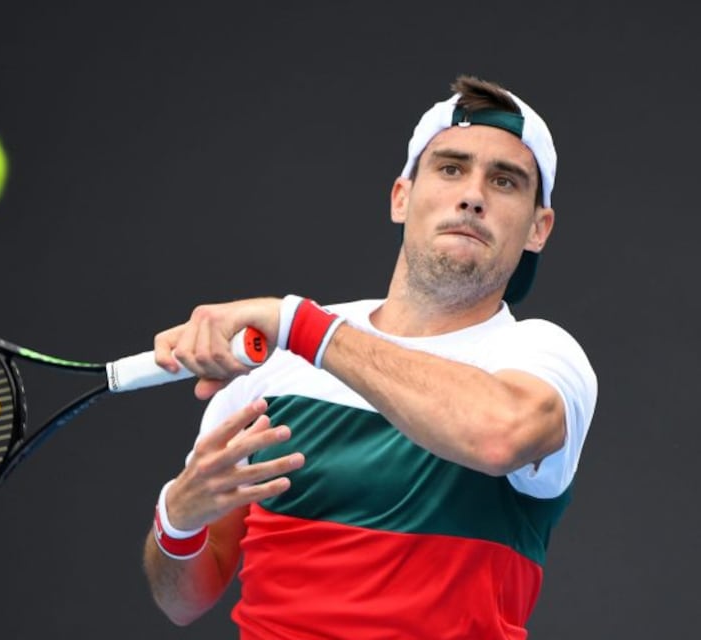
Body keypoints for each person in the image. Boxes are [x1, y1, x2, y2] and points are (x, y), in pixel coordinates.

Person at [142, 75, 598, 639]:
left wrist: (297, 324)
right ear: (401, 197)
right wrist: (177, 520)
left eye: (504, 181)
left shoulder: (540, 356)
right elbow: (183, 600)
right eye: (451, 168)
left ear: (538, 228)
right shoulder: (274, 363)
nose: (473, 194)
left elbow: (498, 435)